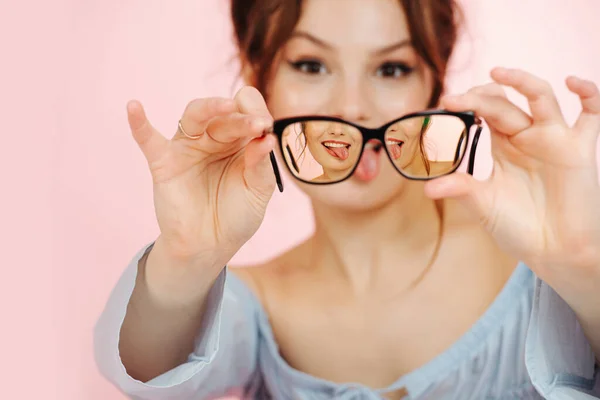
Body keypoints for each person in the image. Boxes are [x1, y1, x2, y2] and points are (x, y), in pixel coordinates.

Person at [94, 0, 600, 399]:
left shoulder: (540, 255)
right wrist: (186, 255)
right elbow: (144, 373)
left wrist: (583, 267)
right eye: (312, 65)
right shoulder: (256, 307)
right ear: (258, 78)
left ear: (434, 83)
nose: (354, 108)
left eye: (392, 69)